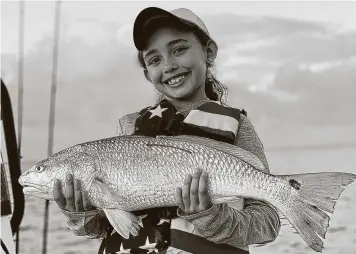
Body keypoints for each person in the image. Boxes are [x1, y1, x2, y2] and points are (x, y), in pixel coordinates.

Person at [53, 6, 281, 254]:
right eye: (154, 59)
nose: (169, 65)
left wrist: (211, 216)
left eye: (179, 50)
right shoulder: (129, 127)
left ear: (209, 51)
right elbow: (102, 226)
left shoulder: (236, 125)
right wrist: (81, 213)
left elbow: (267, 223)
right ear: (147, 74)